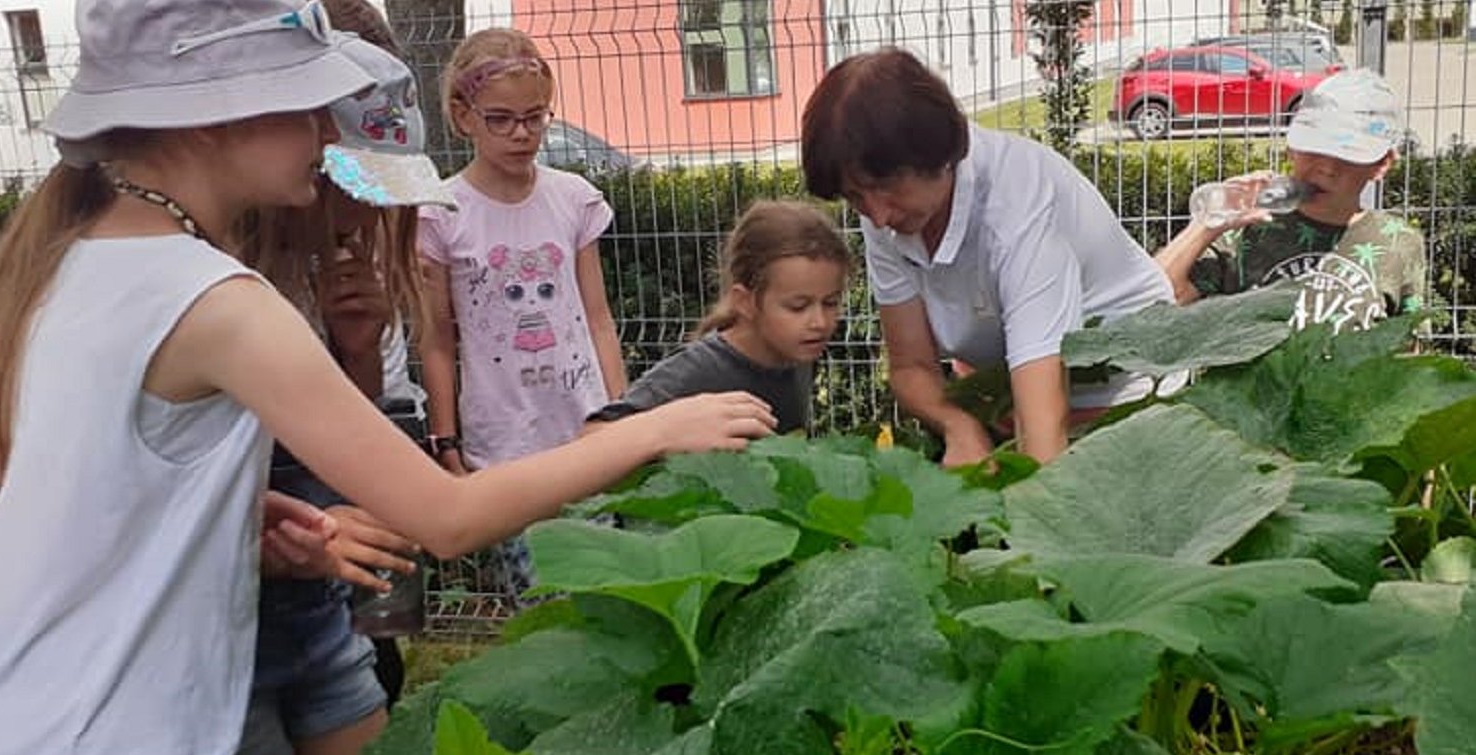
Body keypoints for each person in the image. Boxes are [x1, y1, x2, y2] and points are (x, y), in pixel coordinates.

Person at [0, 1, 774, 755]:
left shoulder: (81, 256)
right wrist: (652, 426)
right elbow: (446, 517)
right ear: (215, 114)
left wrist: (242, 512)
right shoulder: (214, 300)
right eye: (303, 102)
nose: (328, 133)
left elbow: (77, 493)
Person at [184, 8, 455, 755]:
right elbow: (171, 490)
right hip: (211, 650)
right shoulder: (198, 285)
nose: (360, 210)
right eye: (342, 178)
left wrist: (355, 351)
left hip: (318, 629)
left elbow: (355, 463)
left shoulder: (336, 275)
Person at [799, 47, 1180, 468]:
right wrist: (960, 426)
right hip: (1008, 395)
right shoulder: (886, 212)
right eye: (854, 196)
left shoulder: (1019, 204)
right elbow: (910, 365)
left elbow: (1043, 429)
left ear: (940, 155)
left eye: (886, 187)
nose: (877, 215)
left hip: (1131, 395)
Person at [417, 28, 628, 600]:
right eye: (501, 119)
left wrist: (621, 415)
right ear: (463, 117)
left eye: (536, 117)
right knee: (543, 612)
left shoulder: (574, 199)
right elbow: (435, 338)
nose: (522, 133)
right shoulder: (442, 213)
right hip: (504, 449)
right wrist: (445, 441)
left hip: (585, 433)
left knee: (607, 598)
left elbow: (598, 319)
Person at [1154, 68, 1428, 333]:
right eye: (1314, 149)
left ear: (1381, 164)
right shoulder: (1247, 229)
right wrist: (1208, 224)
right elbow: (1152, 304)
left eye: (1347, 157)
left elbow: (1408, 352)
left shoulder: (1398, 242)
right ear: (1290, 150)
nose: (1326, 168)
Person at [586, 200, 850, 435]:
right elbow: (594, 437)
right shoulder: (698, 372)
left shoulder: (797, 353)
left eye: (830, 303)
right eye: (798, 306)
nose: (820, 322)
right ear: (745, 302)